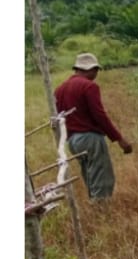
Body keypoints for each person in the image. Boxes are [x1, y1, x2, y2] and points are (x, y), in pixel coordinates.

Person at [53, 53, 133, 200]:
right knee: (101, 176)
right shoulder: (89, 86)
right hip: (89, 138)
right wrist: (119, 139)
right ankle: (101, 209)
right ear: (89, 69)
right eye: (96, 70)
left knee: (89, 175)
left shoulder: (59, 89)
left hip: (72, 141)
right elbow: (99, 115)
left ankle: (95, 207)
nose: (96, 73)